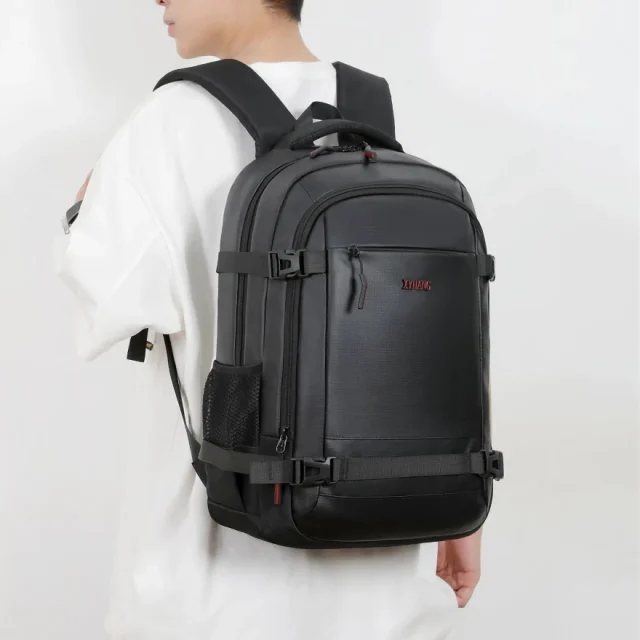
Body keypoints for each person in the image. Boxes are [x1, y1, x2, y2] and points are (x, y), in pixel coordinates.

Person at [56, 1, 482, 638]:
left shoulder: (171, 121)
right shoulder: (373, 118)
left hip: (211, 592)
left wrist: (81, 211)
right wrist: (462, 500)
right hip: (383, 588)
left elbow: (106, 302)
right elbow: (437, 329)